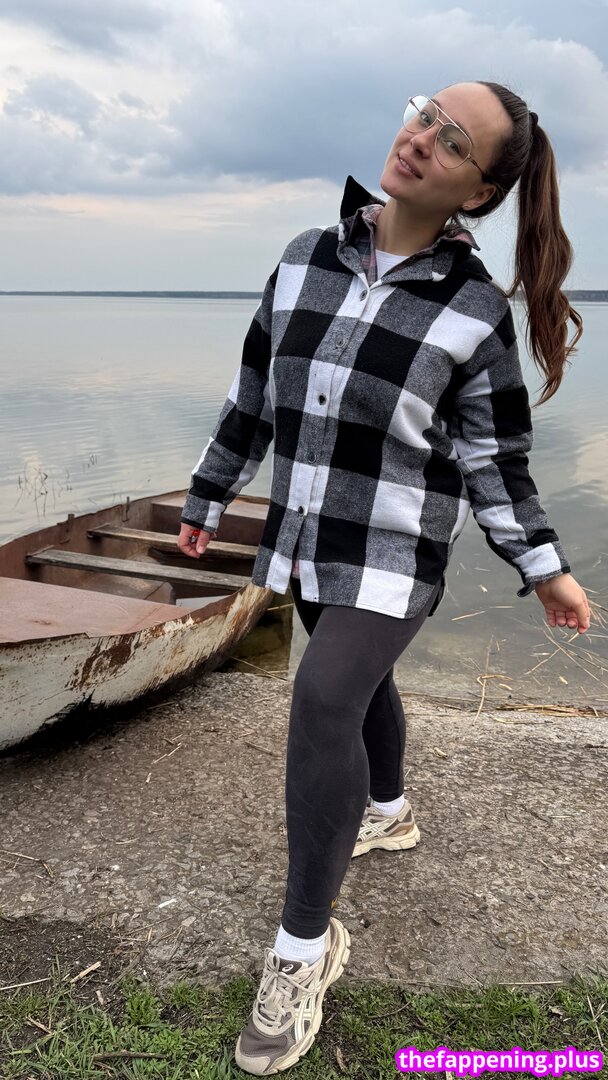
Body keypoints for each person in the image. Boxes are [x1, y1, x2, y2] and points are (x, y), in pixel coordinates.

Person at [177, 80, 590, 1075]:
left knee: (323, 698)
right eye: (424, 114)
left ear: (478, 193)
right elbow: (253, 395)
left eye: (452, 143)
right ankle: (389, 812)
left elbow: (493, 461)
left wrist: (544, 568)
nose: (420, 139)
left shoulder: (472, 312)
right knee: (357, 685)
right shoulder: (302, 258)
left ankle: (302, 949)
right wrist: (208, 494)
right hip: (305, 537)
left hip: (396, 550)